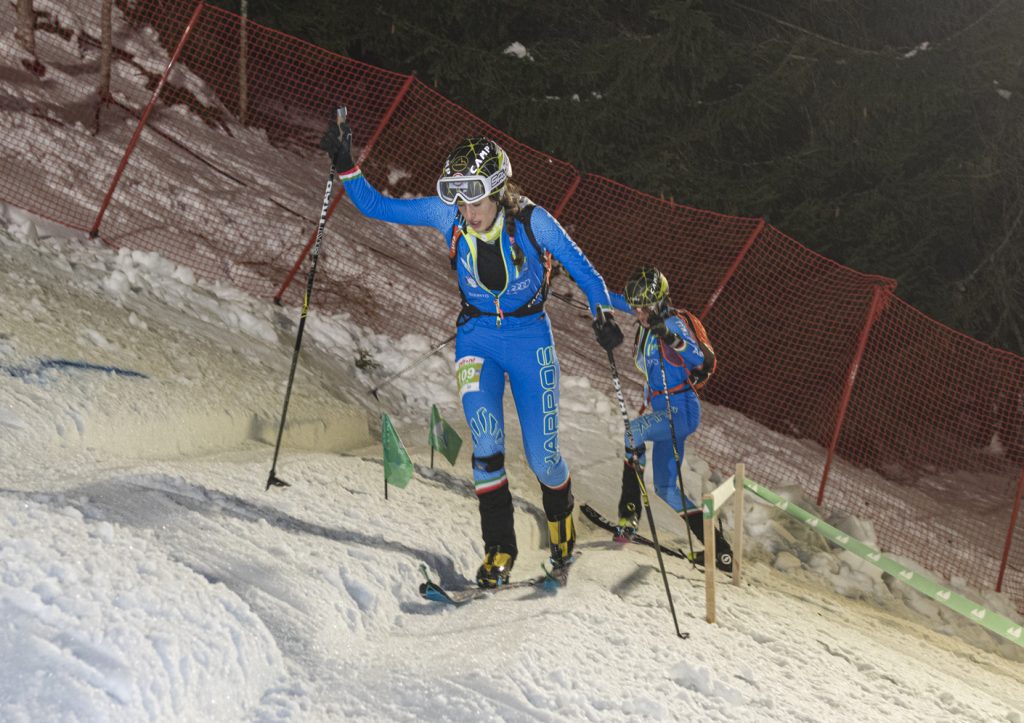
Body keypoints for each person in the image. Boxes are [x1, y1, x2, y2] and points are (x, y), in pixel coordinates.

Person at [320, 120, 623, 587]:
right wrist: (346, 164)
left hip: (530, 340)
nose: (469, 211)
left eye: (476, 200)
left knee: (543, 457)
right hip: (477, 338)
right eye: (461, 199)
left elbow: (588, 274)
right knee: (485, 442)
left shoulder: (531, 220)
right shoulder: (449, 217)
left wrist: (602, 315)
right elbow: (376, 205)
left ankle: (562, 527)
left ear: (499, 192)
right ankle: (499, 549)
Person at [609, 265, 733, 572]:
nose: (636, 313)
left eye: (641, 308)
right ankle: (722, 551)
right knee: (666, 488)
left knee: (632, 432)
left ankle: (628, 514)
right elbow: (608, 297)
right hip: (665, 413)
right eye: (635, 308)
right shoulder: (647, 318)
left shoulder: (672, 324)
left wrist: (667, 335)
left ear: (656, 304)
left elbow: (697, 359)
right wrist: (563, 276)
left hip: (681, 411)